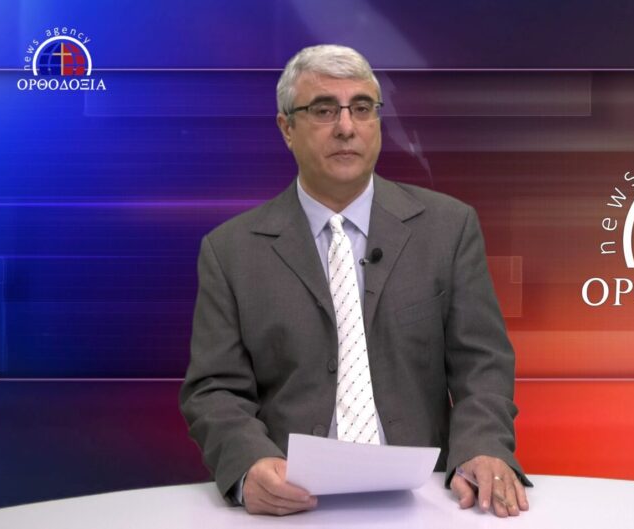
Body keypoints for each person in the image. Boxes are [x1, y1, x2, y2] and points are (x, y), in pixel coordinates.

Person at [179, 44, 531, 518]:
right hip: (294, 501)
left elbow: (482, 364)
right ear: (287, 128)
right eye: (324, 110)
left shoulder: (448, 228)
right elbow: (215, 389)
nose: (346, 127)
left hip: (426, 498)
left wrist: (482, 447)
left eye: (362, 108)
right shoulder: (231, 251)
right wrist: (250, 464)